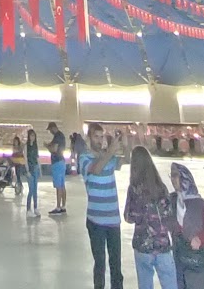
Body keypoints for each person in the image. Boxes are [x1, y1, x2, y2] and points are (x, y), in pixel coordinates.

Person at [80, 123, 126, 289]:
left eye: (101, 136)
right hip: (95, 221)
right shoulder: (84, 158)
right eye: (96, 137)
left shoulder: (109, 157)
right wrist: (110, 151)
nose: (99, 140)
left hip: (113, 220)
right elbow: (96, 169)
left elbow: (125, 161)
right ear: (89, 138)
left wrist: (125, 144)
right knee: (100, 264)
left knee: (116, 265)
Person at [124, 147, 177, 289]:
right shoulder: (161, 187)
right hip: (162, 245)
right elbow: (170, 215)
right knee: (170, 284)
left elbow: (128, 217)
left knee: (145, 285)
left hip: (142, 246)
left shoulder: (134, 188)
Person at [169, 163, 204, 289]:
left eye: (176, 176)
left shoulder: (197, 202)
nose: (173, 179)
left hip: (198, 257)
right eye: (171, 176)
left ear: (184, 178)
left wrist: (200, 238)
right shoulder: (172, 200)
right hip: (180, 255)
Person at [47, 121, 69, 215]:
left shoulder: (57, 136)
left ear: (53, 128)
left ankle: (58, 207)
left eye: (50, 130)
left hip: (57, 163)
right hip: (62, 162)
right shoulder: (61, 136)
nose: (50, 132)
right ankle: (63, 206)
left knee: (58, 186)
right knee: (62, 185)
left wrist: (47, 146)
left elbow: (54, 149)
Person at [25, 128, 42, 214]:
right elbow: (25, 159)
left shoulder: (36, 146)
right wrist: (27, 170)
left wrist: (40, 169)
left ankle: (35, 208)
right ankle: (28, 209)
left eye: (34, 135)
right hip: (30, 169)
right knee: (31, 189)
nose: (33, 137)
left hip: (35, 168)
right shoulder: (26, 146)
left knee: (35, 190)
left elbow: (37, 157)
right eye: (31, 135)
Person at [11, 135, 27, 202]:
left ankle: (20, 186)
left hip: (19, 162)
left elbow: (21, 151)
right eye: (14, 141)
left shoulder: (20, 147)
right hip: (15, 161)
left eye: (16, 141)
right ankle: (19, 186)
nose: (15, 142)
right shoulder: (14, 147)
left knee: (18, 174)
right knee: (17, 175)